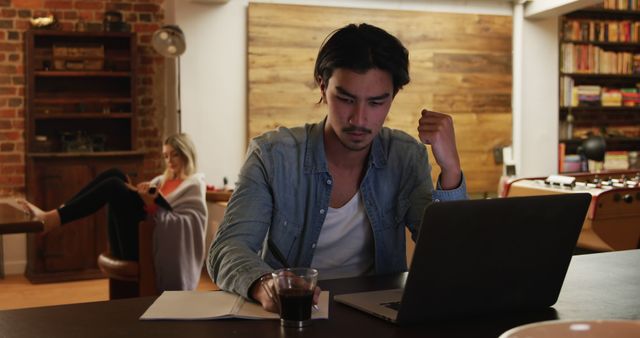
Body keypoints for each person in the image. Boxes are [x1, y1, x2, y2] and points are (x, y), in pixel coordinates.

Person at [208, 23, 467, 312]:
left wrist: (451, 171)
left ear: (393, 96)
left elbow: (451, 258)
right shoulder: (272, 156)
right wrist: (263, 283)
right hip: (294, 314)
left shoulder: (405, 156)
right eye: (346, 99)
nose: (359, 118)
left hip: (377, 316)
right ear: (322, 85)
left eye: (376, 103)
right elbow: (228, 248)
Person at [19, 133, 207, 291]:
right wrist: (141, 197)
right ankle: (56, 214)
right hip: (132, 239)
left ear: (186, 155)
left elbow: (189, 226)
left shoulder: (193, 185)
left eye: (174, 155)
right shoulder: (160, 181)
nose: (169, 161)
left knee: (114, 186)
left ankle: (52, 219)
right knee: (114, 173)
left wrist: (152, 206)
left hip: (150, 248)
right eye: (165, 156)